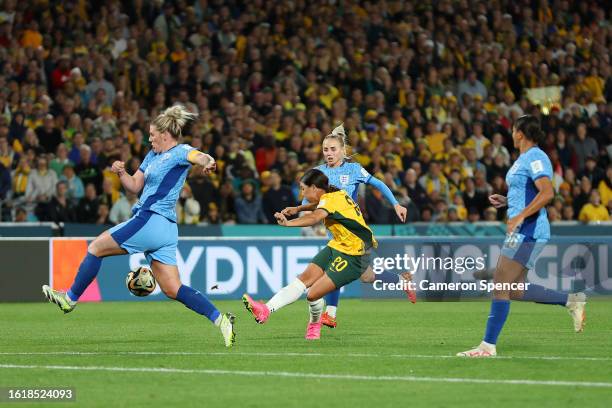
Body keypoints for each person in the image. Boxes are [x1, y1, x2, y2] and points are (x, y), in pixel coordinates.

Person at [42, 105, 236, 348]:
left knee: (96, 248)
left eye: (152, 134)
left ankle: (69, 299)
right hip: (165, 229)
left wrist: (209, 162)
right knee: (172, 288)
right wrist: (122, 173)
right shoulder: (151, 156)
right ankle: (221, 320)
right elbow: (134, 186)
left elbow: (200, 157)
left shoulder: (180, 151)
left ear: (165, 135)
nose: (149, 138)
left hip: (151, 219)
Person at [458, 115, 586, 358]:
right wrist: (508, 202)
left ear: (520, 133)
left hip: (528, 230)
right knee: (513, 289)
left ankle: (487, 346)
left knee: (500, 284)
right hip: (522, 228)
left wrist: (519, 217)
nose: (512, 134)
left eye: (514, 129)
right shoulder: (523, 160)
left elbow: (547, 193)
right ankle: (571, 300)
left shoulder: (536, 157)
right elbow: (528, 194)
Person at [281, 124, 412, 329]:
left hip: (353, 231)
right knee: (367, 275)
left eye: (333, 149)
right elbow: (320, 202)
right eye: (326, 150)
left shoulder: (353, 169)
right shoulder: (319, 173)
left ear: (343, 151)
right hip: (336, 230)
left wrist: (395, 204)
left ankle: (330, 314)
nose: (329, 153)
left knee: (335, 270)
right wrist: (299, 208)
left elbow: (378, 184)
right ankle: (402, 281)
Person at [242, 169, 377, 340]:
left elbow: (314, 217)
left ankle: (314, 324)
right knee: (303, 279)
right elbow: (318, 205)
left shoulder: (329, 200)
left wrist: (288, 223)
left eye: (303, 189)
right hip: (340, 244)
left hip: (355, 254)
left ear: (314, 188)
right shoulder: (335, 194)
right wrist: (298, 208)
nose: (302, 193)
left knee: (313, 294)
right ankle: (265, 310)